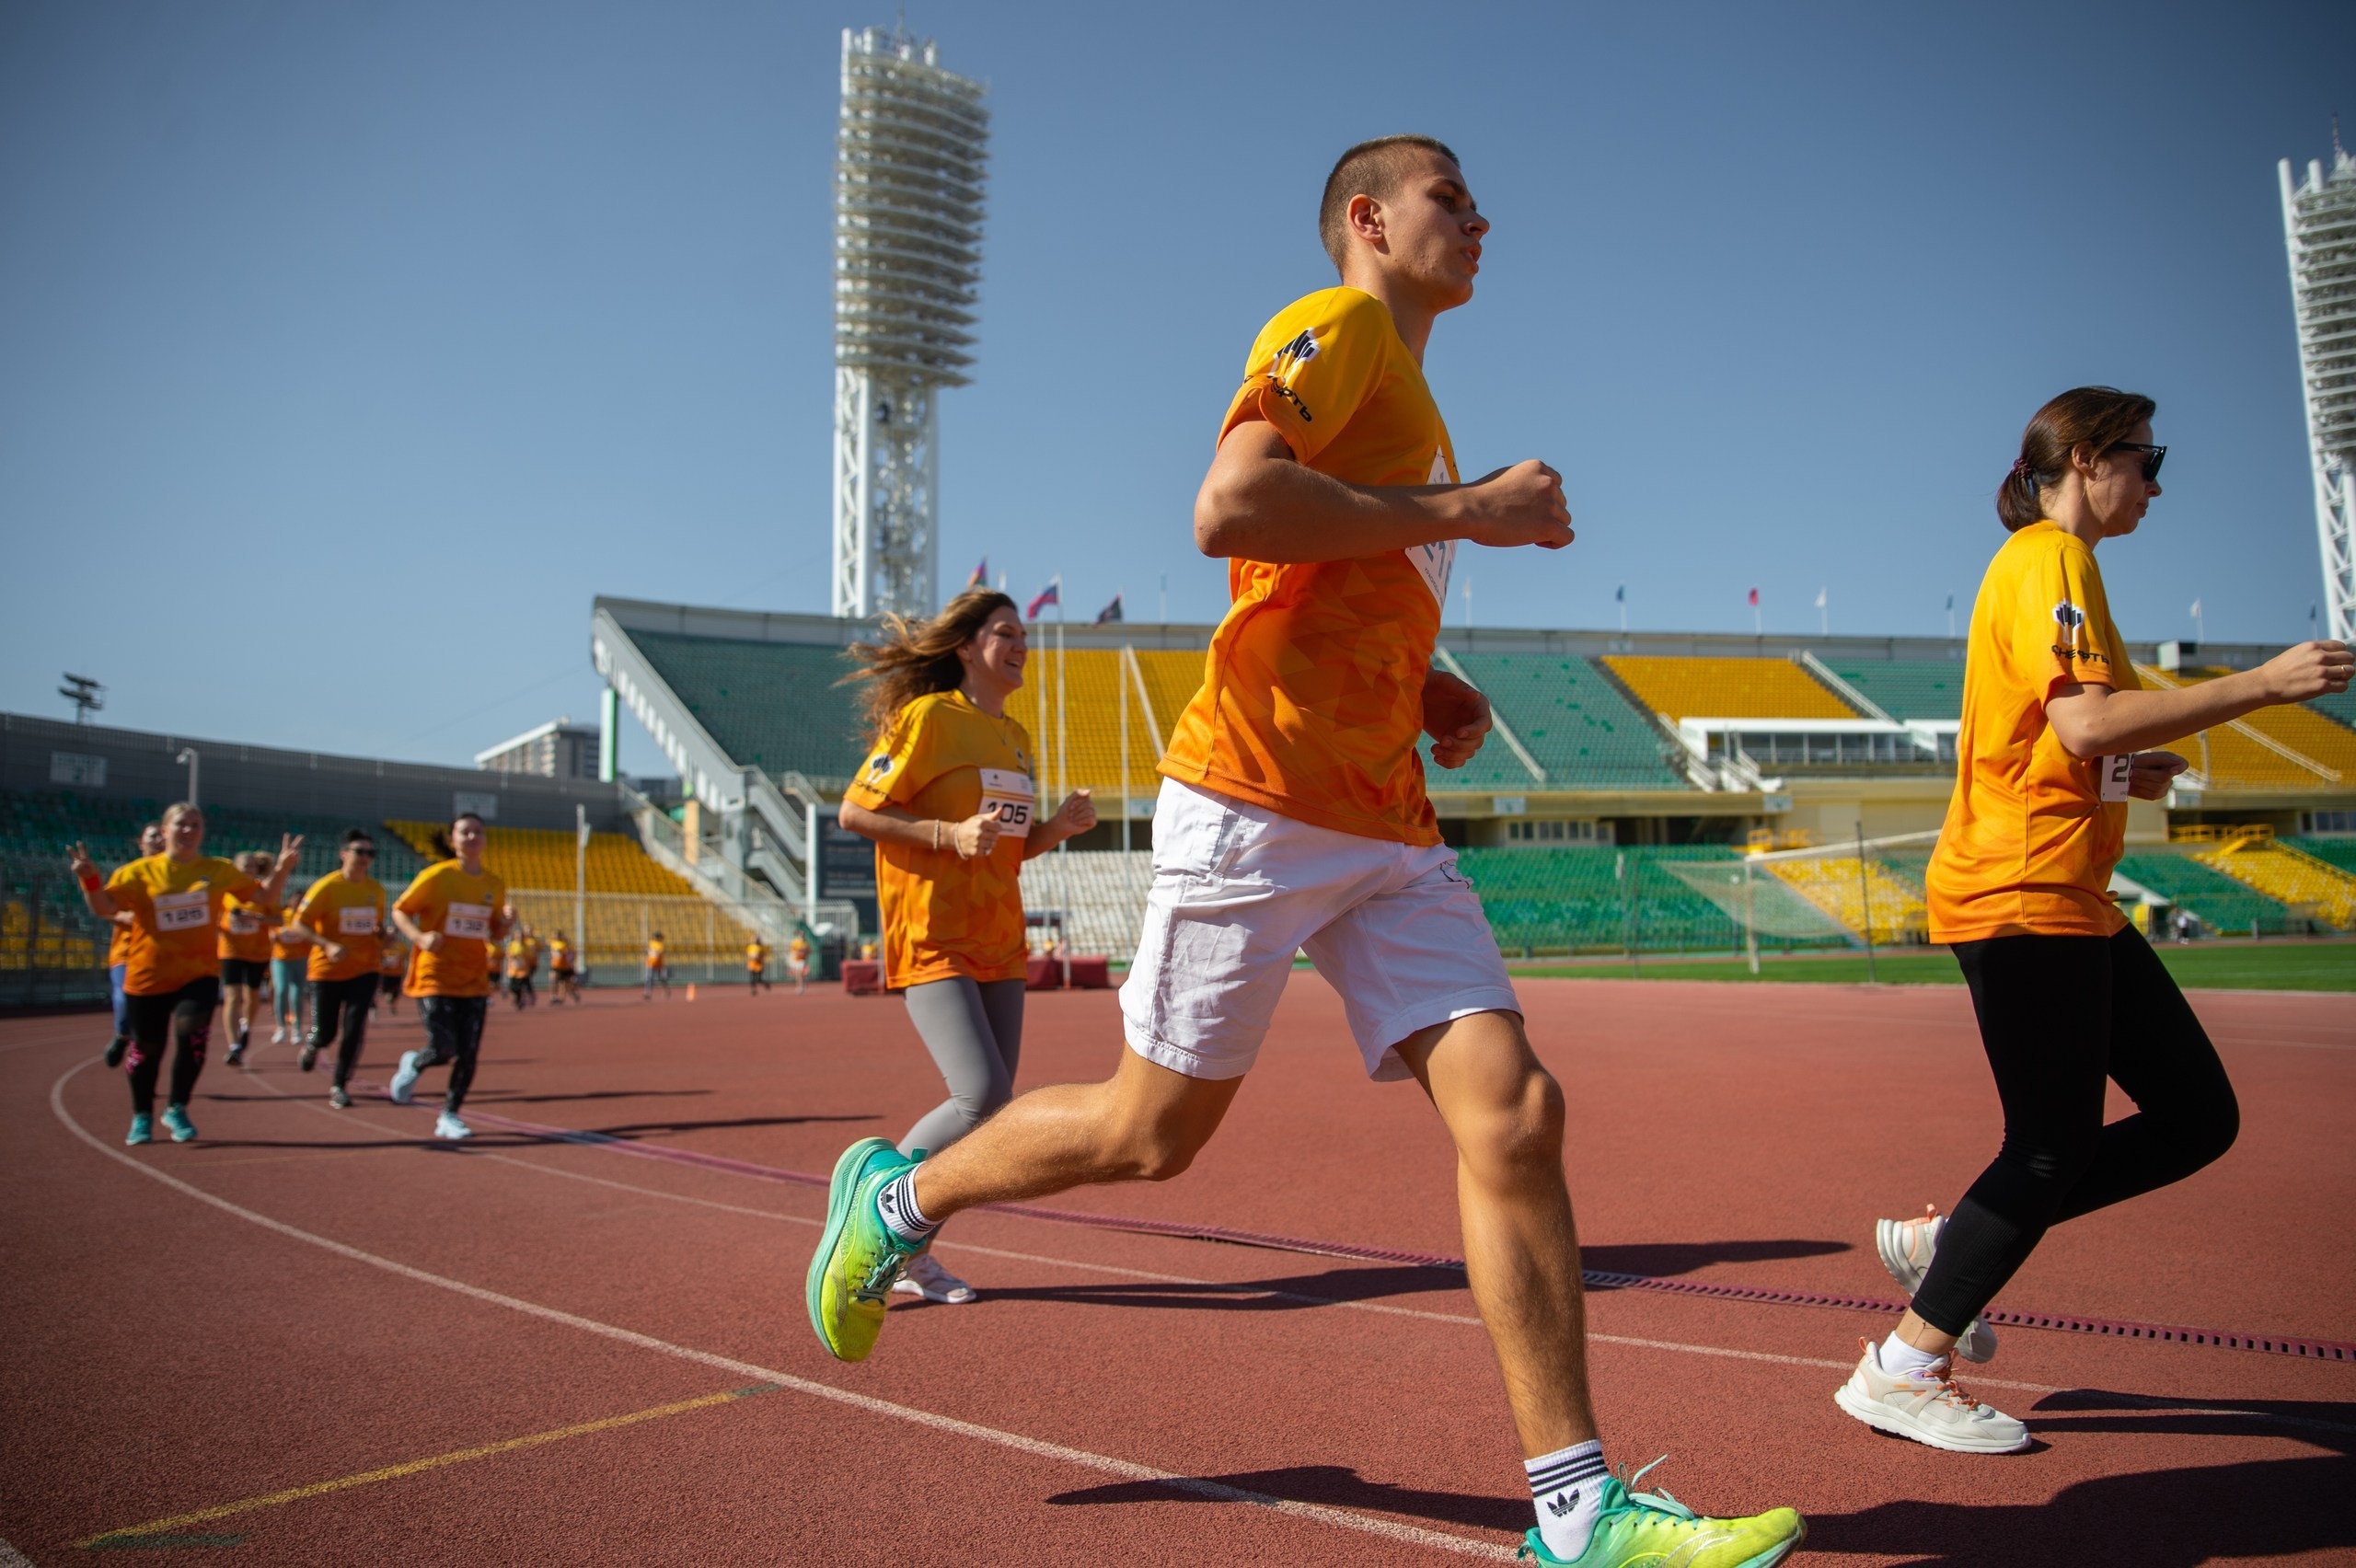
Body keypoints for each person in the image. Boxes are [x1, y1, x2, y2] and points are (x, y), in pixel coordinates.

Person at [805, 137, 1802, 1568]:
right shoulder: (1331, 329)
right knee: (1151, 1138)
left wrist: (1434, 688)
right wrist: (1470, 516)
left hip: (1383, 817)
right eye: (1449, 198)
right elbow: (1231, 506)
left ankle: (1578, 1515)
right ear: (1367, 217)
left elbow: (1334, 575)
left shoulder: (1420, 404)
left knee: (1515, 1114)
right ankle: (893, 1199)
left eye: (1474, 202)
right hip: (1259, 797)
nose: (1477, 219)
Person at [1837, 386, 2352, 1454]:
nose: (2156, 484)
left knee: (2196, 1116)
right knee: (2047, 1148)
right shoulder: (2047, 560)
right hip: (2019, 891)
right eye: (2146, 459)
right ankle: (1903, 1365)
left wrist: (2123, 769)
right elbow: (2080, 719)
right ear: (2082, 458)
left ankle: (1946, 1246)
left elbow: (2055, 737)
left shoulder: (2059, 568)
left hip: (2066, 891)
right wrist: (2257, 683)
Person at [835, 588, 1099, 1305]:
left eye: (1024, 635)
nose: (1020, 645)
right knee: (979, 1094)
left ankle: (909, 1249)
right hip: (934, 932)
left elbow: (1006, 854)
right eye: (1005, 632)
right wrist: (946, 835)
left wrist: (1056, 829)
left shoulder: (1015, 735)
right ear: (965, 647)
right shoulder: (928, 718)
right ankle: (876, 1205)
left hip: (998, 937)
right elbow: (856, 810)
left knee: (993, 1109)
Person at [68, 806, 300, 1144]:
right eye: (181, 824)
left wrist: (281, 869)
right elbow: (104, 908)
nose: (189, 830)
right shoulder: (139, 872)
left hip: (199, 972)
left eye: (196, 825)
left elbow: (263, 897)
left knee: (192, 1035)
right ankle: (142, 1114)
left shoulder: (217, 870)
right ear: (165, 831)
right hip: (148, 974)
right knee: (147, 1048)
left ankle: (176, 1107)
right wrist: (89, 878)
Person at [387, 813, 513, 1139]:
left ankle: (450, 1115)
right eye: (465, 832)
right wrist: (419, 937)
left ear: (485, 840)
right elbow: (400, 910)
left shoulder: (493, 884)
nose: (472, 838)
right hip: (436, 975)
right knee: (443, 1048)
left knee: (469, 1052)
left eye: (478, 833)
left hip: (473, 978)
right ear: (453, 839)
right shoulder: (437, 877)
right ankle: (415, 1063)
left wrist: (507, 923)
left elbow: (495, 933)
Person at [284, 829, 387, 1110]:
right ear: (344, 854)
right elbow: (298, 923)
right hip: (327, 970)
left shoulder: (375, 890)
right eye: (359, 851)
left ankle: (339, 1085)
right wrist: (326, 944)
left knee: (354, 1029)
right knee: (326, 1033)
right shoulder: (326, 887)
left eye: (370, 853)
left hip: (365, 969)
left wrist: (383, 936)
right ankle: (313, 1044)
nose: (365, 857)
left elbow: (374, 928)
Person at [102, 822, 166, 1068]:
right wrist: (126, 917)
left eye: (162, 836)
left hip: (162, 956)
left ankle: (143, 1068)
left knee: (153, 1021)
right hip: (127, 952)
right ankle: (122, 1036)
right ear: (141, 843)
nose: (158, 841)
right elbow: (105, 908)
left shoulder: (177, 877)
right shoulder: (127, 874)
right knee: (124, 999)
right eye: (152, 836)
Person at [217, 850, 278, 1067]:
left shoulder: (263, 893)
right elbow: (214, 918)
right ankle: (234, 1046)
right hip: (230, 950)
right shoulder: (225, 893)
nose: (249, 870)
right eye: (244, 867)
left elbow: (278, 918)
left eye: (252, 867)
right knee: (232, 996)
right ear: (235, 869)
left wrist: (258, 918)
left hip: (257, 951)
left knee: (252, 997)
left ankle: (246, 1028)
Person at [267, 883, 312, 1044]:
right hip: (281, 960)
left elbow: (311, 936)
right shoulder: (281, 915)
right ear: (291, 900)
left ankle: (297, 1028)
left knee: (297, 994)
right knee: (281, 990)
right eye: (296, 899)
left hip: (300, 960)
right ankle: (280, 1027)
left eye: (302, 900)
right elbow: (272, 932)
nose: (298, 902)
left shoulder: (306, 917)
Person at [548, 929, 579, 1004]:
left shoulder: (565, 945)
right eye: (555, 935)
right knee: (553, 980)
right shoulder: (552, 944)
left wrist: (570, 961)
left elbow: (571, 955)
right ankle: (553, 996)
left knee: (568, 984)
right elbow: (552, 954)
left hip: (565, 967)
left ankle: (573, 994)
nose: (556, 937)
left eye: (558, 935)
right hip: (556, 966)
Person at [642, 931, 669, 999]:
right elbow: (647, 951)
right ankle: (648, 993)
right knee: (649, 978)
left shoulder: (661, 944)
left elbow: (660, 952)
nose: (655, 938)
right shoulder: (651, 943)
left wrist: (653, 952)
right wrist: (647, 951)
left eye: (656, 937)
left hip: (658, 963)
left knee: (661, 978)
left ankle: (666, 990)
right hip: (650, 963)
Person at [786, 929, 811, 995]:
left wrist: (804, 952)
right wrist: (797, 952)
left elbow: (809, 951)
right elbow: (791, 950)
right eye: (800, 935)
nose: (802, 936)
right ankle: (801, 984)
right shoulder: (795, 942)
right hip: (795, 960)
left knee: (799, 973)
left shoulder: (806, 943)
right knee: (798, 974)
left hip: (802, 960)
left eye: (803, 935)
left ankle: (800, 987)